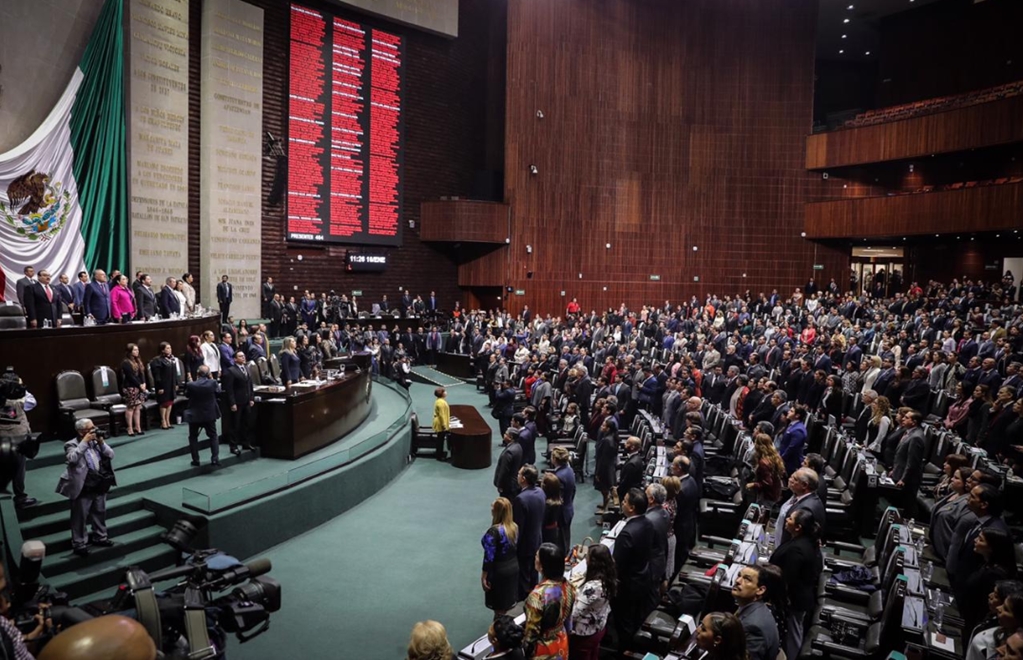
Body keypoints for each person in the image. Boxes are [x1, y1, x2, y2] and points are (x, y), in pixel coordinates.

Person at [57, 419, 116, 557]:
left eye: (94, 427)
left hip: (99, 482)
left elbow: (111, 455)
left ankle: (100, 537)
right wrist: (84, 442)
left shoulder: (97, 441)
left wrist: (101, 443)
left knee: (100, 511)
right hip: (83, 484)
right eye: (91, 428)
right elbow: (72, 459)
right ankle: (79, 543)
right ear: (81, 431)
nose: (94, 430)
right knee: (80, 516)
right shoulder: (71, 444)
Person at [769, 508, 822, 660]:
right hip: (799, 597)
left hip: (795, 600)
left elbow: (788, 578)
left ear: (798, 527)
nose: (786, 520)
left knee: (793, 634)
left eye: (790, 519)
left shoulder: (797, 549)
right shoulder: (805, 540)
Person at [612, 488, 654, 652]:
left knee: (624, 623)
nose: (621, 503)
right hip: (642, 578)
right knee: (635, 618)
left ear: (631, 508)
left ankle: (625, 652)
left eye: (624, 501)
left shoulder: (627, 533)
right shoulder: (648, 523)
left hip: (626, 586)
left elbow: (616, 565)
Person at [960, 527, 1019, 637]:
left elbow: (984, 606)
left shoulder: (995, 574)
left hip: (973, 625)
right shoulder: (987, 563)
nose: (975, 540)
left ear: (991, 548)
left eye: (981, 540)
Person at [523, 543, 576, 660]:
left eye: (537, 556)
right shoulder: (569, 586)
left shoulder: (537, 596)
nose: (534, 558)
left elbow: (531, 634)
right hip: (562, 640)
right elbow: (568, 619)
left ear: (542, 566)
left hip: (543, 649)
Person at [569, 543, 615, 660]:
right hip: (598, 628)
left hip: (584, 635)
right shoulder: (609, 577)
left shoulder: (593, 587)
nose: (585, 559)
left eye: (587, 557)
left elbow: (574, 614)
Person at [0, 371, 39, 509]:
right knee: (18, 469)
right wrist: (21, 389)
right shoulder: (21, 400)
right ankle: (20, 498)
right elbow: (32, 403)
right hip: (18, 440)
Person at [731, 565, 781, 660]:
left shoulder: (754, 628)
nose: (738, 581)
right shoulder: (752, 608)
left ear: (760, 590)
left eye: (747, 579)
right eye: (739, 576)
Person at [482, 498, 519, 616]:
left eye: (493, 508)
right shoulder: (514, 527)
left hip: (498, 572)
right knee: (506, 602)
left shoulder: (493, 532)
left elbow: (489, 557)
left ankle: (499, 629)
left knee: (498, 606)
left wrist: (484, 576)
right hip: (513, 566)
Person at [514, 465, 545, 601]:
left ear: (523, 479)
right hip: (536, 539)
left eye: (519, 474)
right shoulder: (540, 492)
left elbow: (518, 527)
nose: (517, 476)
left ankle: (524, 603)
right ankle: (534, 596)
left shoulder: (521, 499)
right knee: (534, 573)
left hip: (525, 544)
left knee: (523, 576)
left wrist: (514, 546)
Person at [774, 468, 825, 547]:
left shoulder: (806, 508)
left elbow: (797, 538)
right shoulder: (799, 496)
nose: (790, 480)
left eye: (794, 479)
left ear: (804, 485)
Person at [184, 366, 221, 467]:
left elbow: (187, 395)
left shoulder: (190, 385)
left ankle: (196, 460)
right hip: (209, 414)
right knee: (213, 436)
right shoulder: (213, 383)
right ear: (209, 374)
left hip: (195, 415)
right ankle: (215, 459)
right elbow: (218, 393)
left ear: (197, 374)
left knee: (193, 437)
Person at [221, 350, 255, 455]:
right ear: (235, 359)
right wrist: (232, 403)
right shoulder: (230, 371)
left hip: (246, 401)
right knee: (235, 425)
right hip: (237, 402)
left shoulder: (247, 368)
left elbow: (250, 386)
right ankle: (233, 446)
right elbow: (229, 389)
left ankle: (246, 443)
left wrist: (251, 398)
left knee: (246, 423)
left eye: (243, 356)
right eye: (240, 356)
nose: (243, 358)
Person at [645, 483, 670, 599]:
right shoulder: (665, 513)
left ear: (651, 499)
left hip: (649, 566)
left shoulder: (648, 521)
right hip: (660, 561)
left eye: (646, 494)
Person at [746, 432, 784, 506]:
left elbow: (768, 483)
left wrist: (753, 484)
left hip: (767, 496)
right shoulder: (775, 456)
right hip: (775, 492)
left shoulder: (764, 463)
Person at [551, 447, 576, 555]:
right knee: (565, 536)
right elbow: (573, 490)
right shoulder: (569, 470)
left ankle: (563, 559)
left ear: (555, 459)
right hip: (569, 507)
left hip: (562, 513)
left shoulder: (559, 477)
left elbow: (557, 500)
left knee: (560, 540)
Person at [120, 343, 147, 437]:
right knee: (131, 407)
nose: (137, 351)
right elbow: (130, 377)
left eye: (137, 350)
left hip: (139, 387)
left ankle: (138, 427)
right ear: (130, 351)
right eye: (135, 350)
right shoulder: (126, 363)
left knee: (138, 407)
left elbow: (141, 373)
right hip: (130, 387)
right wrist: (139, 385)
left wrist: (143, 383)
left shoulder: (138, 361)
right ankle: (130, 428)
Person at [150, 342, 179, 430]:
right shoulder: (157, 360)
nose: (169, 349)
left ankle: (168, 420)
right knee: (164, 403)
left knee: (170, 402)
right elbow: (157, 375)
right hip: (163, 384)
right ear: (162, 350)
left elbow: (175, 373)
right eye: (167, 348)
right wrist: (160, 387)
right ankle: (163, 421)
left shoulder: (172, 359)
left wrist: (176, 383)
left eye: (170, 348)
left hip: (171, 384)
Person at [593, 419, 617, 511]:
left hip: (604, 469)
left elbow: (603, 459)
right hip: (608, 467)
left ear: (608, 429)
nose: (601, 427)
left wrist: (598, 473)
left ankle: (604, 513)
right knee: (605, 491)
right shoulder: (611, 437)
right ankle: (604, 505)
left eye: (603, 426)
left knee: (605, 491)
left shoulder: (607, 440)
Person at [778, 405, 808, 477]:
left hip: (791, 463)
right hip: (785, 459)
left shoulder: (799, 430)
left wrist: (782, 458)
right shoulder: (792, 425)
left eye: (791, 411)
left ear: (797, 415)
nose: (788, 412)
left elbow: (792, 447)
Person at [495, 429, 524, 500]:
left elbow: (504, 471)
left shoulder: (509, 452)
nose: (504, 435)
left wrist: (500, 485)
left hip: (507, 485)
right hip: (514, 483)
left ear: (510, 437)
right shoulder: (518, 446)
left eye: (505, 434)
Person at [541, 473, 564, 554]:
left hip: (545, 533)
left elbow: (542, 522)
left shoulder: (546, 505)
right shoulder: (559, 501)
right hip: (554, 531)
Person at [433, 387, 450, 460]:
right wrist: (444, 426)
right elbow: (442, 415)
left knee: (441, 439)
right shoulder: (441, 403)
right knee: (440, 440)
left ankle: (439, 453)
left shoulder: (439, 400)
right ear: (442, 393)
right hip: (440, 424)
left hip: (440, 422)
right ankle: (439, 456)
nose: (446, 392)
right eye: (444, 391)